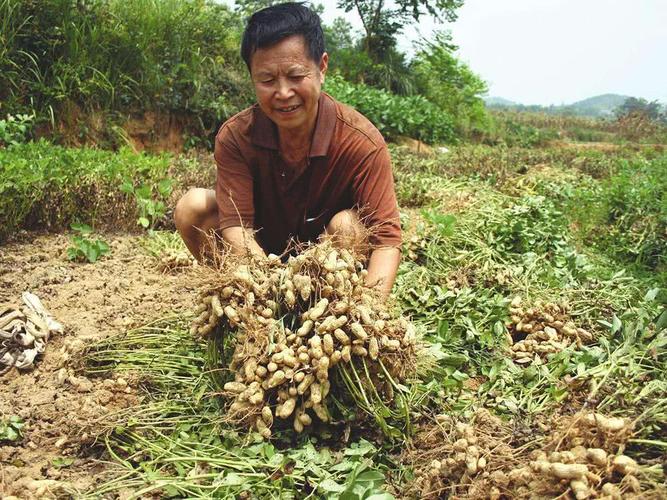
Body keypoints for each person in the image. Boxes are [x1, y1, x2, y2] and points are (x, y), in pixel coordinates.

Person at [174, 2, 401, 296]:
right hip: (260, 262)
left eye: (296, 76)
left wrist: (371, 314)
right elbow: (237, 228)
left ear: (321, 67)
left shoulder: (361, 141)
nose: (283, 93)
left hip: (329, 269)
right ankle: (242, 304)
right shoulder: (236, 137)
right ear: (252, 77)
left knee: (348, 226)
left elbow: (386, 240)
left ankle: (328, 306)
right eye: (267, 80)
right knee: (193, 207)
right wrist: (273, 292)